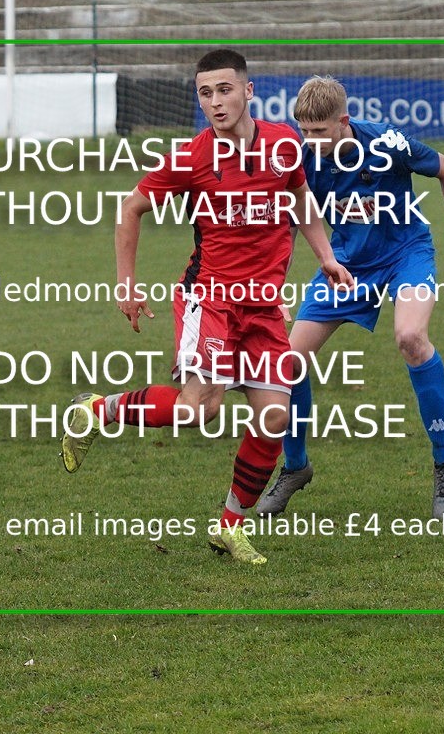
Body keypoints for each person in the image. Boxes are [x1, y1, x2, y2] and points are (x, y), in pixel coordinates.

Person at [60, 50, 352, 564]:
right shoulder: (193, 157)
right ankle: (94, 410)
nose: (215, 102)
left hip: (262, 307)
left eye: (223, 90)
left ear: (249, 90)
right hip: (210, 299)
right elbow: (130, 207)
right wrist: (126, 285)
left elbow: (301, 198)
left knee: (273, 418)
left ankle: (229, 527)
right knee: (200, 408)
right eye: (204, 93)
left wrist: (325, 256)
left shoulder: (285, 144)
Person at [256, 75, 444, 520]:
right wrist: (272, 287)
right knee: (287, 362)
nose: (310, 140)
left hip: (405, 253)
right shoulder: (300, 158)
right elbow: (288, 220)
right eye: (304, 130)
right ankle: (296, 467)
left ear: (343, 122)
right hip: (347, 262)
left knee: (411, 337)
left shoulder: (386, 142)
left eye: (319, 131)